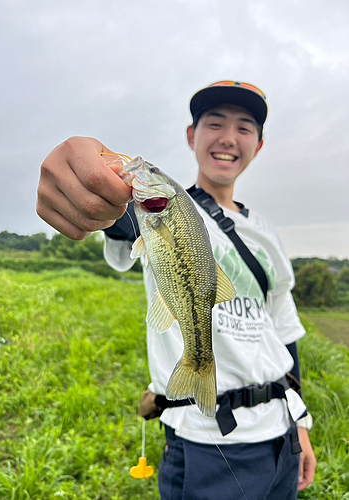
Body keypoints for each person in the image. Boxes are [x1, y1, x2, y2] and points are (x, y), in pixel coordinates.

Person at [37, 80, 316, 499]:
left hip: (283, 435)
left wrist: (301, 421)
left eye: (244, 128)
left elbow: (283, 329)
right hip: (209, 440)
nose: (228, 138)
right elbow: (119, 218)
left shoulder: (266, 232)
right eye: (215, 123)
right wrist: (86, 176)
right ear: (192, 136)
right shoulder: (160, 208)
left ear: (258, 146)